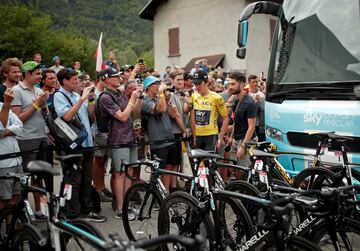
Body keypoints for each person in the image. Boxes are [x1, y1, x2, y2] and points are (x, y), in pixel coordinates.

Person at [53, 68, 106, 222]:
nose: (78, 83)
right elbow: (67, 116)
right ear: (65, 82)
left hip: (87, 143)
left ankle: (87, 210)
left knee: (86, 178)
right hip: (74, 145)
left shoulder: (77, 95)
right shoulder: (59, 96)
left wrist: (90, 99)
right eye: (75, 80)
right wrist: (82, 99)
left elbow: (90, 116)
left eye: (78, 80)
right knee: (73, 180)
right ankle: (73, 213)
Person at [98, 68, 142, 219]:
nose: (119, 78)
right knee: (120, 173)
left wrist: (137, 97)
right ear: (106, 79)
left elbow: (133, 111)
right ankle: (120, 208)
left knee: (129, 173)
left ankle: (127, 204)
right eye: (115, 77)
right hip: (119, 140)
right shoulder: (105, 97)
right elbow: (122, 117)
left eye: (119, 76)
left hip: (130, 138)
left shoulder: (119, 93)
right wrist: (131, 100)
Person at [11, 61, 49, 219]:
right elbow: (17, 119)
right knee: (24, 178)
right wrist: (36, 105)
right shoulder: (16, 90)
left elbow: (44, 115)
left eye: (41, 73)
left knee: (39, 176)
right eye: (37, 74)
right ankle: (23, 211)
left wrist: (45, 107)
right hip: (26, 139)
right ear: (27, 74)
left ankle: (40, 210)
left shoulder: (39, 90)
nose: (41, 77)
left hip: (41, 137)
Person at [141, 76, 178, 191]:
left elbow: (173, 114)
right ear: (149, 87)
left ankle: (165, 195)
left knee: (168, 168)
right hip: (158, 142)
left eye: (159, 83)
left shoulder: (160, 98)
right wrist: (161, 94)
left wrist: (167, 100)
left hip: (169, 139)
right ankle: (156, 197)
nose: (158, 85)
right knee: (157, 172)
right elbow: (160, 109)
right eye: (156, 83)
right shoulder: (144, 101)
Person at [190, 70, 229, 152]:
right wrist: (194, 136)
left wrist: (220, 138)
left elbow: (225, 118)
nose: (197, 87)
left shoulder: (217, 97)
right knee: (197, 164)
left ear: (206, 82)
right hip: (197, 136)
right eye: (195, 84)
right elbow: (192, 117)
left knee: (209, 163)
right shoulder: (194, 96)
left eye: (199, 84)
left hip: (211, 135)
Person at [227, 72, 257, 168]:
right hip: (236, 139)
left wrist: (243, 146)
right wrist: (231, 137)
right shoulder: (236, 100)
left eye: (233, 84)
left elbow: (251, 127)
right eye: (229, 84)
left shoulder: (249, 102)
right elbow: (236, 121)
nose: (230, 87)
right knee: (233, 167)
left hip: (247, 140)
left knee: (244, 170)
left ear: (241, 84)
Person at [0, 88, 23, 210]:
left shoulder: (2, 106)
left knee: (15, 196)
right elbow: (0, 126)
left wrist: (5, 132)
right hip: (3, 163)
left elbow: (20, 126)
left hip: (17, 160)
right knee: (4, 199)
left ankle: (11, 227)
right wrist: (7, 105)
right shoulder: (5, 106)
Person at [92, 71, 112, 202]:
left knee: (103, 161)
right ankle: (97, 189)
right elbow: (92, 114)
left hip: (106, 130)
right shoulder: (94, 93)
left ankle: (102, 186)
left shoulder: (105, 93)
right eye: (109, 78)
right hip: (98, 130)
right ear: (101, 78)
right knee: (98, 160)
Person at [248, 74, 265, 141]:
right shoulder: (247, 94)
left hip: (258, 124)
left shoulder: (261, 94)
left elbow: (264, 109)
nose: (255, 84)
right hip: (248, 123)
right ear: (249, 83)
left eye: (256, 82)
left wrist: (259, 101)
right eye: (253, 82)